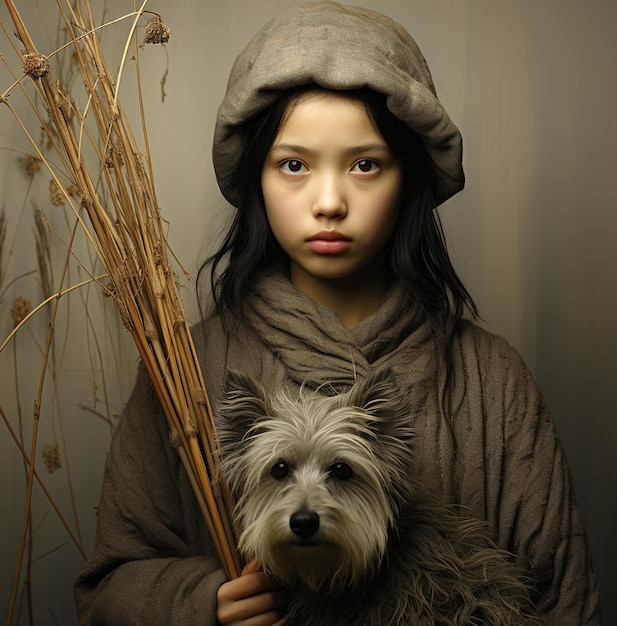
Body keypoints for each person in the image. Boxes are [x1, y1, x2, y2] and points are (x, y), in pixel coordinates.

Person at [74, 2, 601, 624]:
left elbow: (566, 603)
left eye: (365, 164)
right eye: (293, 165)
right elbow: (104, 590)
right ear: (257, 180)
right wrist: (201, 603)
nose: (329, 202)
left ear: (409, 180)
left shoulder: (492, 380)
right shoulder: (184, 372)